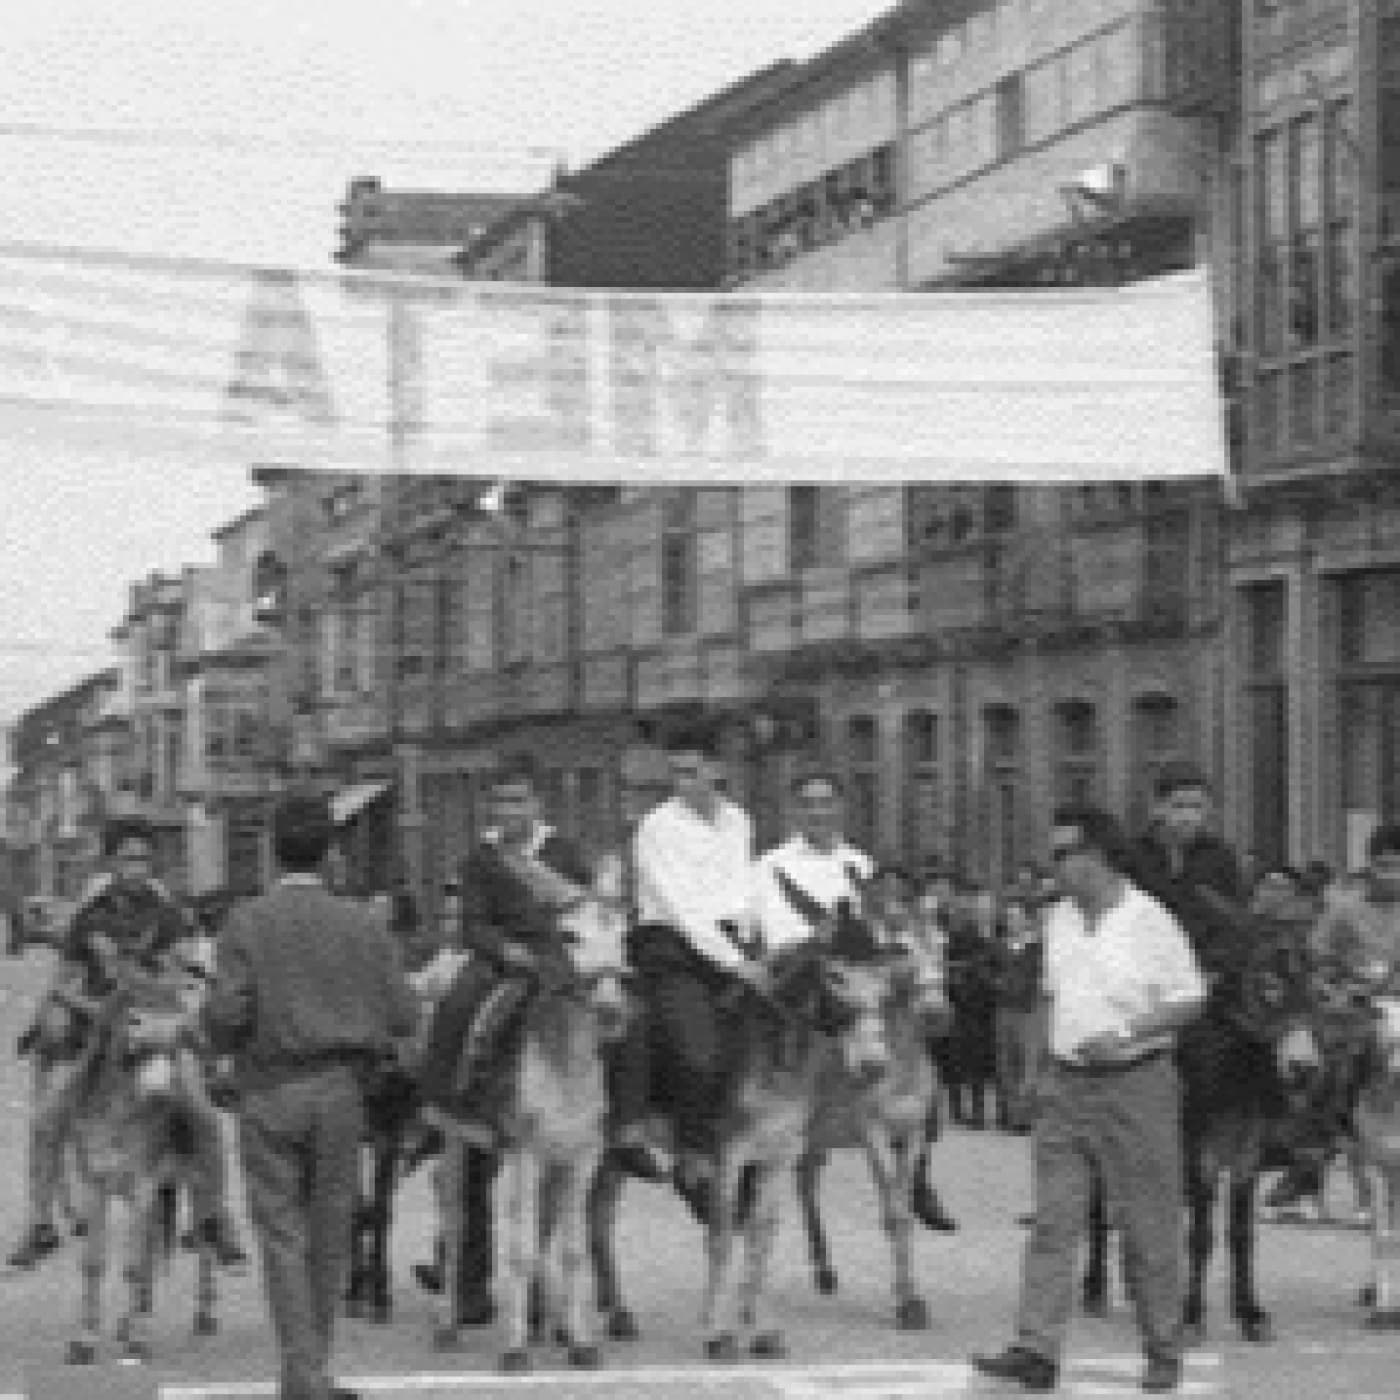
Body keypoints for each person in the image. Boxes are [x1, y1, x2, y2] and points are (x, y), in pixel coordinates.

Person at [416, 755, 665, 1320]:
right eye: (500, 801)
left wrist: (572, 953)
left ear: (537, 804)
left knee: (629, 1017)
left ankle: (626, 1123)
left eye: (519, 800)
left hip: (567, 963)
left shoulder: (564, 853)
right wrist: (508, 951)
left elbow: (589, 912)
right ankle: (450, 1098)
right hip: (506, 962)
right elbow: (473, 923)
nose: (510, 811)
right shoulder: (481, 860)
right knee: (461, 1002)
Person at [973, 806, 1206, 1394]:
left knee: (1148, 1222)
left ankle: (1163, 1347)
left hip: (1136, 1082)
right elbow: (1050, 997)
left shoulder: (1150, 920)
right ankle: (1036, 1347)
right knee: (1054, 1221)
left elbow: (1188, 999)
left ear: (1098, 856)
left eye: (1064, 853)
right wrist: (1035, 1071)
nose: (1054, 865)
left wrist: (1127, 1033)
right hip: (1068, 1084)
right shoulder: (1058, 921)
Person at [204, 791, 416, 1400]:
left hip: (269, 1089)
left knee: (282, 1236)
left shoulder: (246, 922)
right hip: (342, 1091)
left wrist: (217, 1037)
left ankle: (303, 1374)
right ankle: (311, 1371)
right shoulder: (364, 925)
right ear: (330, 853)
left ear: (274, 852)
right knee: (330, 1233)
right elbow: (404, 1015)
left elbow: (226, 1015)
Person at [7, 816, 245, 1271]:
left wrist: (159, 1000)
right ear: (110, 862)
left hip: (157, 1035)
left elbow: (184, 980)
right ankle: (39, 1223)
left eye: (144, 859)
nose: (137, 867)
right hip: (96, 1036)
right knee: (47, 1116)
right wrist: (95, 1008)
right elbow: (64, 983)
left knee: (202, 1113)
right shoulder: (88, 919)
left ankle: (213, 1219)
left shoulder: (170, 917)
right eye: (128, 858)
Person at [628, 715, 767, 1224]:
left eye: (692, 772)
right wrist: (736, 963)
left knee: (771, 1042)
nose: (682, 783)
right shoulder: (658, 827)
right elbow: (682, 908)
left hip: (731, 945)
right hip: (673, 949)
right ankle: (693, 1158)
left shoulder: (739, 820)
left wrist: (754, 942)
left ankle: (754, 1146)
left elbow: (741, 888)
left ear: (718, 770)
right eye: (676, 773)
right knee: (698, 1051)